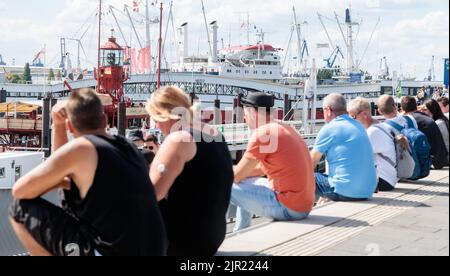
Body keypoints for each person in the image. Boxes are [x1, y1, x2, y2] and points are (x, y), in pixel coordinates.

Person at [9, 88, 166, 256]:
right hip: (154, 249)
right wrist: (63, 180)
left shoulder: (83, 148)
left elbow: (20, 190)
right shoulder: (128, 148)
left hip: (109, 251)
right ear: (105, 121)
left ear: (70, 126)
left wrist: (58, 125)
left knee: (19, 209)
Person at [146, 86, 234, 256]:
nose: (155, 125)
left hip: (182, 243)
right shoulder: (214, 134)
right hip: (212, 238)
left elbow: (151, 193)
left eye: (155, 118)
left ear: (165, 115)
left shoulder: (179, 140)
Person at [230, 92, 315, 232]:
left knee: (220, 182)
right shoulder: (286, 128)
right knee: (245, 180)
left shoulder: (262, 133)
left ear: (252, 113)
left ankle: (207, 236)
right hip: (304, 206)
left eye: (245, 114)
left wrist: (221, 170)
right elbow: (259, 170)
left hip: (288, 208)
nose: (244, 118)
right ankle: (241, 230)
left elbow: (236, 176)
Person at [310, 93, 378, 202]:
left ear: (328, 110)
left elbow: (310, 163)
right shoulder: (358, 125)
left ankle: (293, 208)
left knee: (300, 174)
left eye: (321, 110)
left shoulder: (329, 128)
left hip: (346, 191)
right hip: (367, 191)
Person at [348, 97, 397, 191]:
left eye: (353, 117)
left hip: (383, 181)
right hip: (388, 179)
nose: (351, 121)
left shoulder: (372, 132)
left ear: (365, 114)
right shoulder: (379, 125)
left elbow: (356, 156)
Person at [401, 96, 447, 169]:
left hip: (434, 161)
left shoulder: (410, 120)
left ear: (402, 109)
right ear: (416, 106)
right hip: (441, 158)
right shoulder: (426, 118)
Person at [423, 99, 449, 165]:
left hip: (443, 157)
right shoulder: (444, 120)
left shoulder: (437, 124)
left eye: (425, 109)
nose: (422, 112)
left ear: (431, 110)